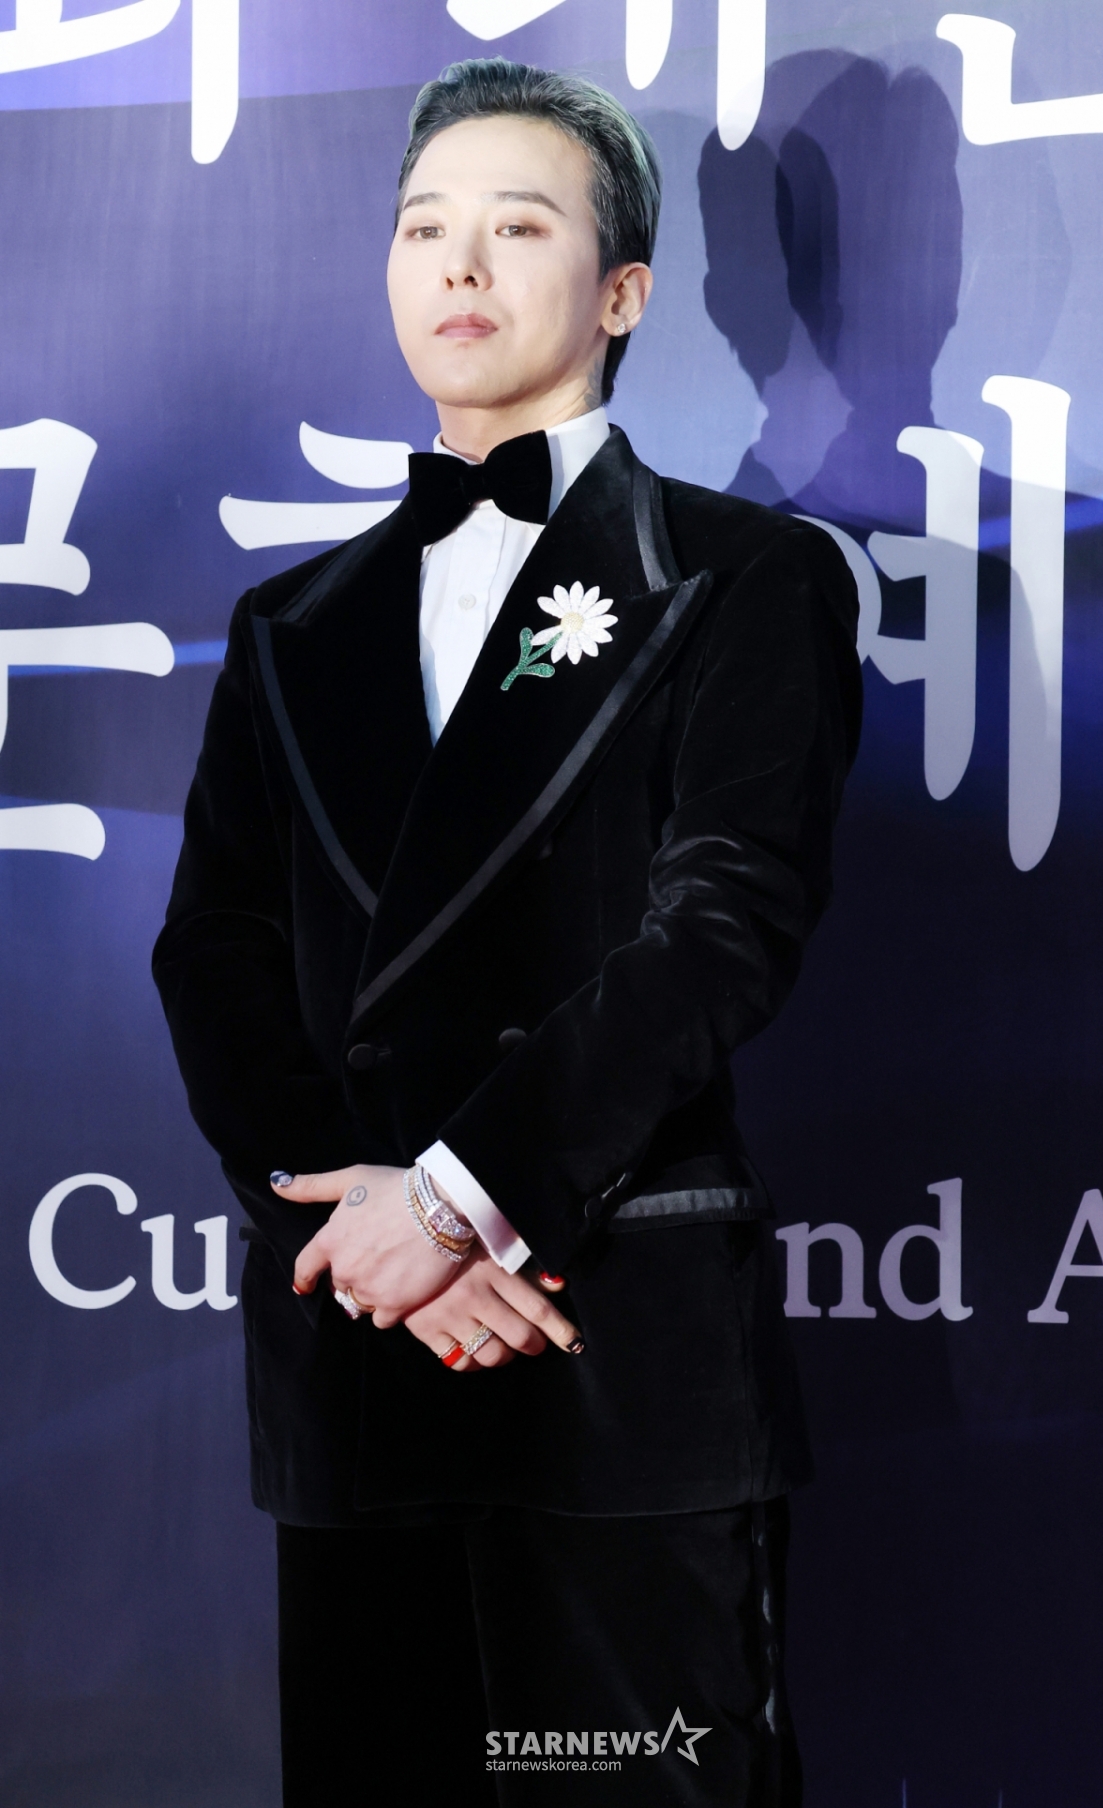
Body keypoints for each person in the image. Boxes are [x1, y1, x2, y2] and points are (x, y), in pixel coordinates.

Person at [153, 57, 861, 1807]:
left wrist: (460, 1201)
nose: (459, 264)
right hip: (359, 1358)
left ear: (623, 293)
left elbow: (722, 930)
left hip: (611, 1350)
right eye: (424, 228)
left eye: (518, 226)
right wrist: (358, 1228)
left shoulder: (745, 575)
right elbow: (214, 953)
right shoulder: (289, 623)